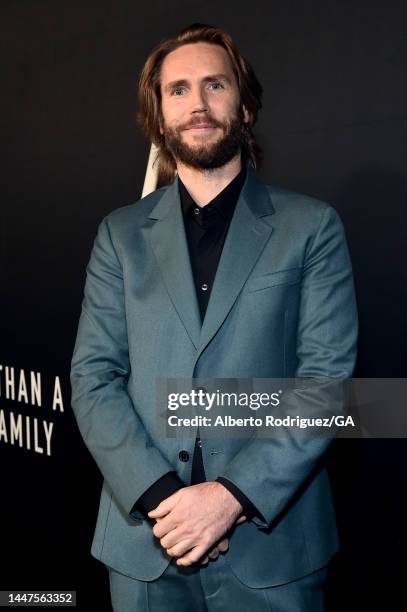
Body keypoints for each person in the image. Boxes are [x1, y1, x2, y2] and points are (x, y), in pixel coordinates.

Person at [70, 23, 358, 612]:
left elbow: (326, 387)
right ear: (158, 116)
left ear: (245, 105)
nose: (197, 104)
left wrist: (228, 498)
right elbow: (93, 379)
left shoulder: (311, 228)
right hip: (146, 546)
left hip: (272, 552)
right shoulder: (119, 235)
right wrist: (166, 501)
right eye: (177, 90)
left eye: (214, 85)